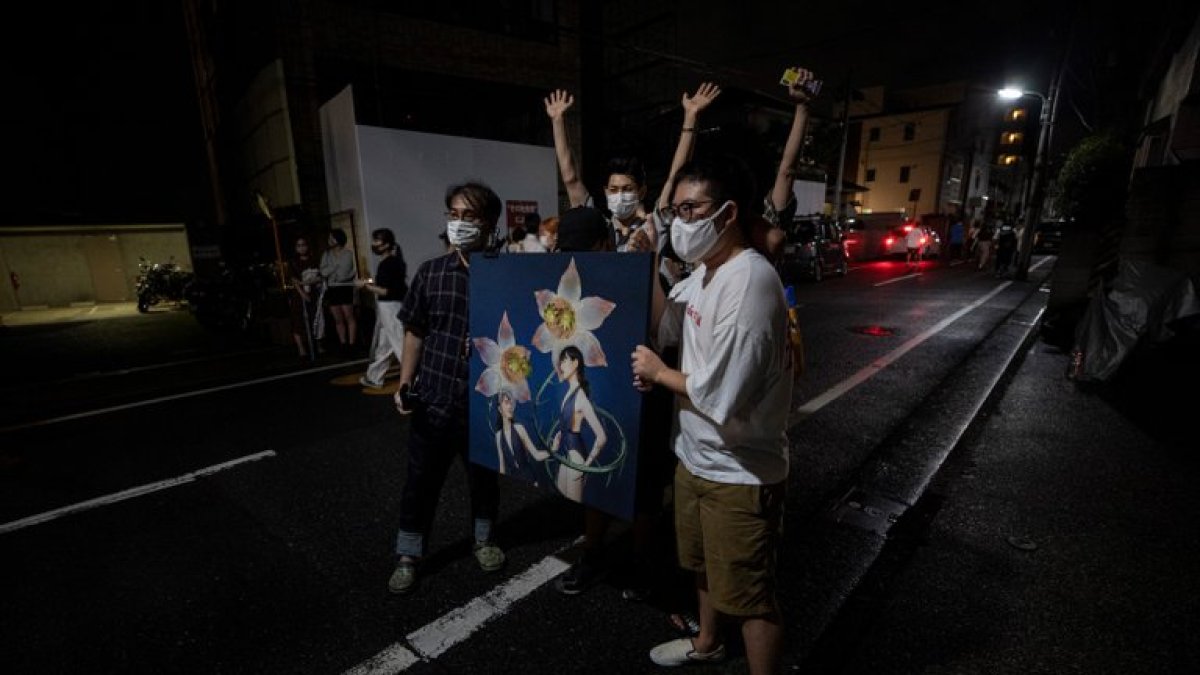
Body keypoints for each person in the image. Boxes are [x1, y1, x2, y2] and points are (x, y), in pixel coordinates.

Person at [631, 156, 793, 674]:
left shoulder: (749, 281)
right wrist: (646, 266)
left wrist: (660, 374)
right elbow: (669, 329)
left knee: (750, 596)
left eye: (690, 209)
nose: (681, 222)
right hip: (695, 456)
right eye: (676, 211)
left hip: (739, 471)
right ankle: (707, 642)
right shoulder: (704, 273)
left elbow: (723, 394)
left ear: (727, 213)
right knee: (701, 566)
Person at [387, 181, 506, 594]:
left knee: (483, 478)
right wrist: (405, 382)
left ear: (489, 223)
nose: (459, 223)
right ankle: (408, 554)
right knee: (420, 481)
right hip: (434, 398)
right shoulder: (431, 273)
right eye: (453, 215)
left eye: (469, 216)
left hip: (485, 401)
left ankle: (484, 539)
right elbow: (415, 331)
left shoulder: (506, 275)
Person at [545, 89, 666, 253]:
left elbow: (673, 178)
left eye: (627, 189)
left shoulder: (652, 227)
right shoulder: (598, 227)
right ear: (606, 192)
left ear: (642, 191)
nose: (620, 195)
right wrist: (558, 121)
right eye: (613, 189)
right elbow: (571, 180)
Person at [548, 345, 607, 502]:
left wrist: (585, 466)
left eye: (564, 361)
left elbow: (601, 437)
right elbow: (567, 424)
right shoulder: (569, 392)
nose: (560, 366)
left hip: (576, 458)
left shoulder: (580, 396)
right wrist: (559, 436)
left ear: (575, 363)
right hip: (566, 455)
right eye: (560, 362)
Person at [356, 228, 407, 389]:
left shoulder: (388, 264)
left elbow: (386, 291)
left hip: (390, 307)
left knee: (399, 343)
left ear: (386, 244)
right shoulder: (393, 262)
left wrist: (365, 286)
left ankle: (417, 379)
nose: (374, 244)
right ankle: (374, 376)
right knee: (386, 344)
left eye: (377, 241)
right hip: (390, 306)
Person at [495, 390, 548, 483]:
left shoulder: (519, 428)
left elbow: (537, 455)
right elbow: (502, 467)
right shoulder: (498, 436)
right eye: (506, 402)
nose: (510, 406)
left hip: (530, 479)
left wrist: (553, 450)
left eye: (511, 403)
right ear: (499, 409)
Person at [320, 227, 358, 354]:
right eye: (329, 238)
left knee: (349, 316)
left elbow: (346, 273)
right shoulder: (326, 254)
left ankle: (352, 344)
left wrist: (332, 270)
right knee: (337, 318)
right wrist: (334, 267)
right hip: (332, 288)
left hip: (345, 287)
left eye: (332, 237)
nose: (330, 240)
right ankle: (343, 343)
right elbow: (323, 272)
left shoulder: (348, 253)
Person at [286, 236, 322, 360]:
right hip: (299, 295)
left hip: (314, 294)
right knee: (298, 321)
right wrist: (303, 294)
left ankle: (318, 344)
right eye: (299, 246)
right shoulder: (293, 263)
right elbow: (294, 280)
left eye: (303, 245)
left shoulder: (314, 260)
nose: (302, 248)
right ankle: (301, 348)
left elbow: (320, 276)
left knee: (316, 320)